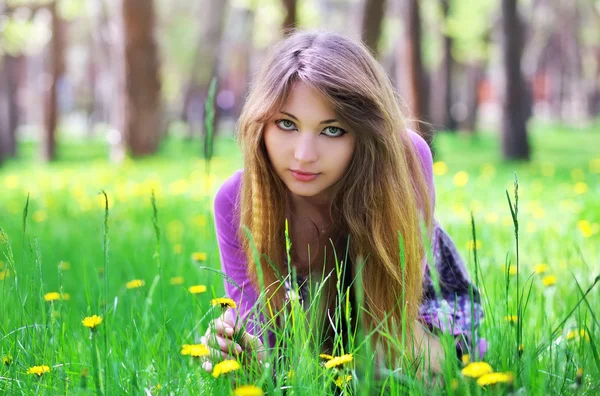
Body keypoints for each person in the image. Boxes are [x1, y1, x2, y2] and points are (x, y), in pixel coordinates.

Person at [201, 30, 485, 379]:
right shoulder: (236, 200)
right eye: (286, 124)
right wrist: (243, 350)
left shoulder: (404, 159)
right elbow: (262, 334)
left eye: (332, 130)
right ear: (261, 124)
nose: (304, 156)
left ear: (366, 133)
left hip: (407, 305)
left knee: (401, 367)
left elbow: (397, 317)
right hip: (302, 321)